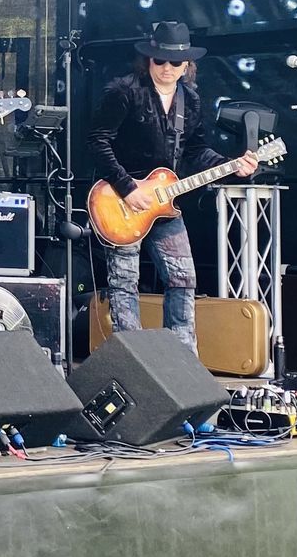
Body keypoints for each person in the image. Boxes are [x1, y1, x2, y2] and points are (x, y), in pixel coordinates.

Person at [86, 20, 258, 351]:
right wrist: (127, 187)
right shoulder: (124, 91)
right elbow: (97, 141)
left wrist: (233, 166)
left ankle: (183, 357)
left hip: (165, 205)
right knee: (124, 281)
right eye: (160, 60)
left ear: (187, 65)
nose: (167, 68)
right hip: (121, 199)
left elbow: (196, 151)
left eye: (175, 63)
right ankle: (131, 358)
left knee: (183, 278)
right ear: (148, 60)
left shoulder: (189, 99)